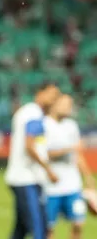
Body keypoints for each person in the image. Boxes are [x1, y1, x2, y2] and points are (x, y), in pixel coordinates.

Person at [4, 82, 61, 239]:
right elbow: (29, 146)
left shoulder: (31, 113)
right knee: (39, 230)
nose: (54, 99)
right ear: (39, 93)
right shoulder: (33, 113)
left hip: (25, 178)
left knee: (20, 231)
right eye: (52, 94)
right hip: (25, 179)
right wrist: (48, 170)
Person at [44, 94, 95, 239]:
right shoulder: (44, 124)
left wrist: (88, 176)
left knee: (78, 224)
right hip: (51, 186)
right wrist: (69, 148)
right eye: (65, 104)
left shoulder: (71, 125)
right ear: (54, 105)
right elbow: (44, 154)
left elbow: (77, 154)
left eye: (70, 105)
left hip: (73, 185)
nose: (68, 108)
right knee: (49, 228)